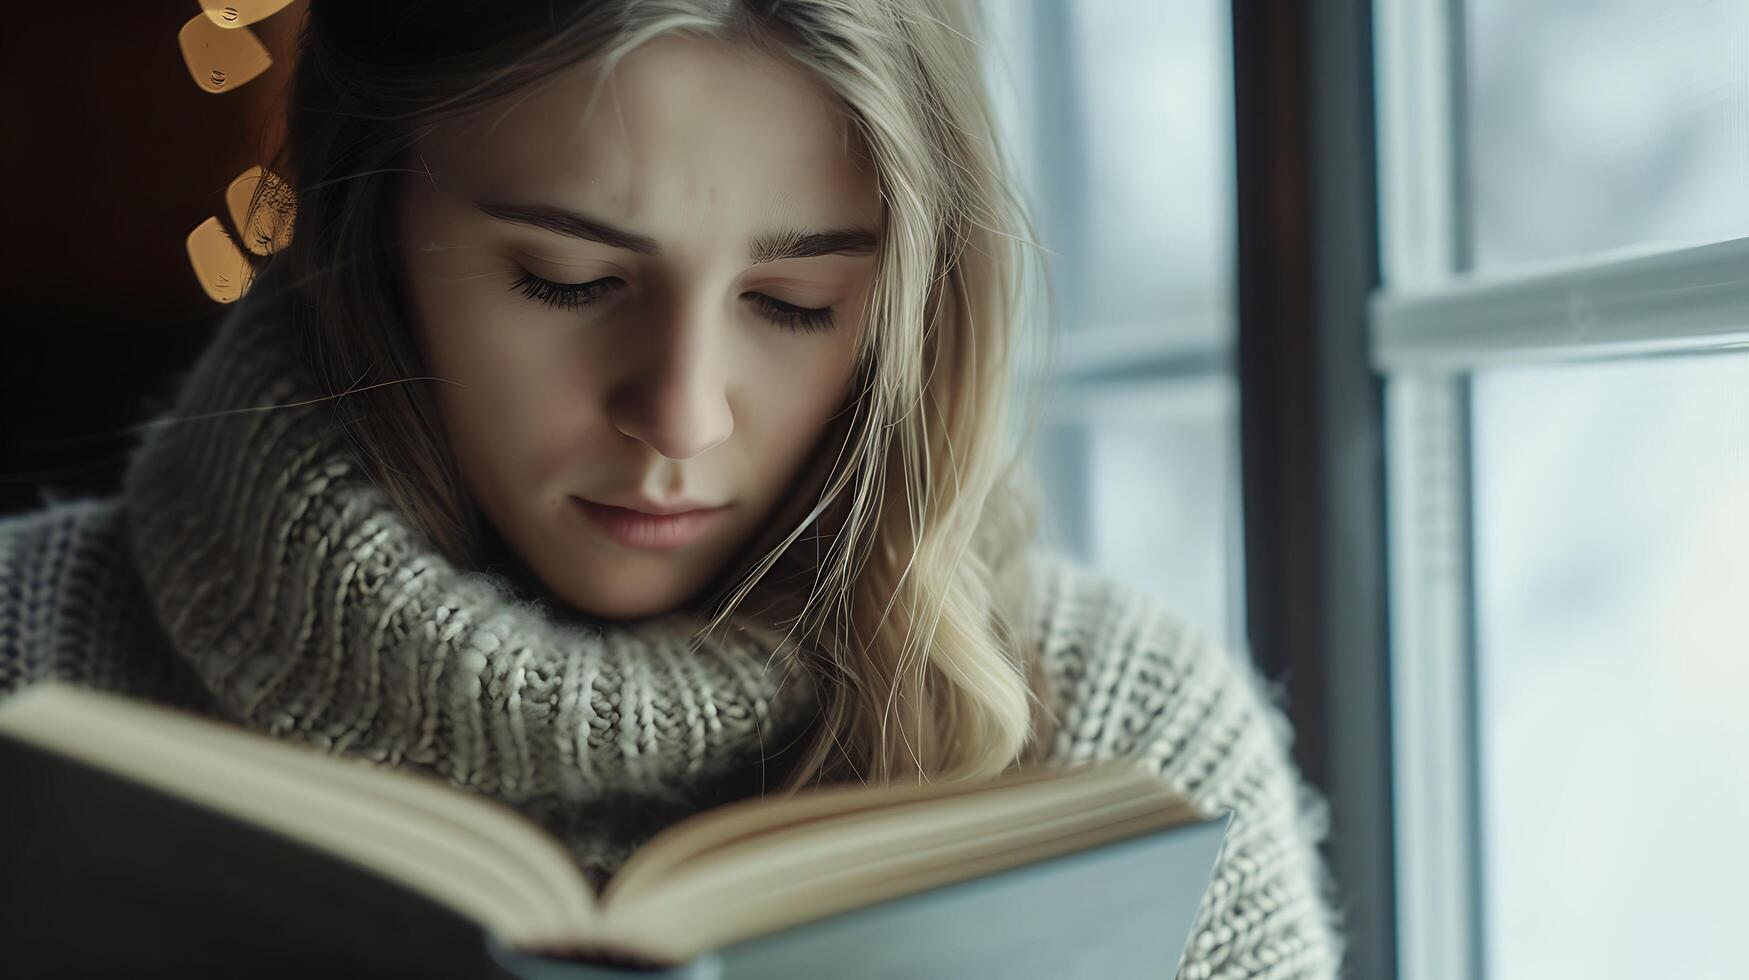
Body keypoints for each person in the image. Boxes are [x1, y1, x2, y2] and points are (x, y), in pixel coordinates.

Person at [0, 0, 1344, 974]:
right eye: (568, 281)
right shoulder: (25, 650)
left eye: (794, 301)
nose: (679, 414)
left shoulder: (1133, 738)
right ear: (371, 221)